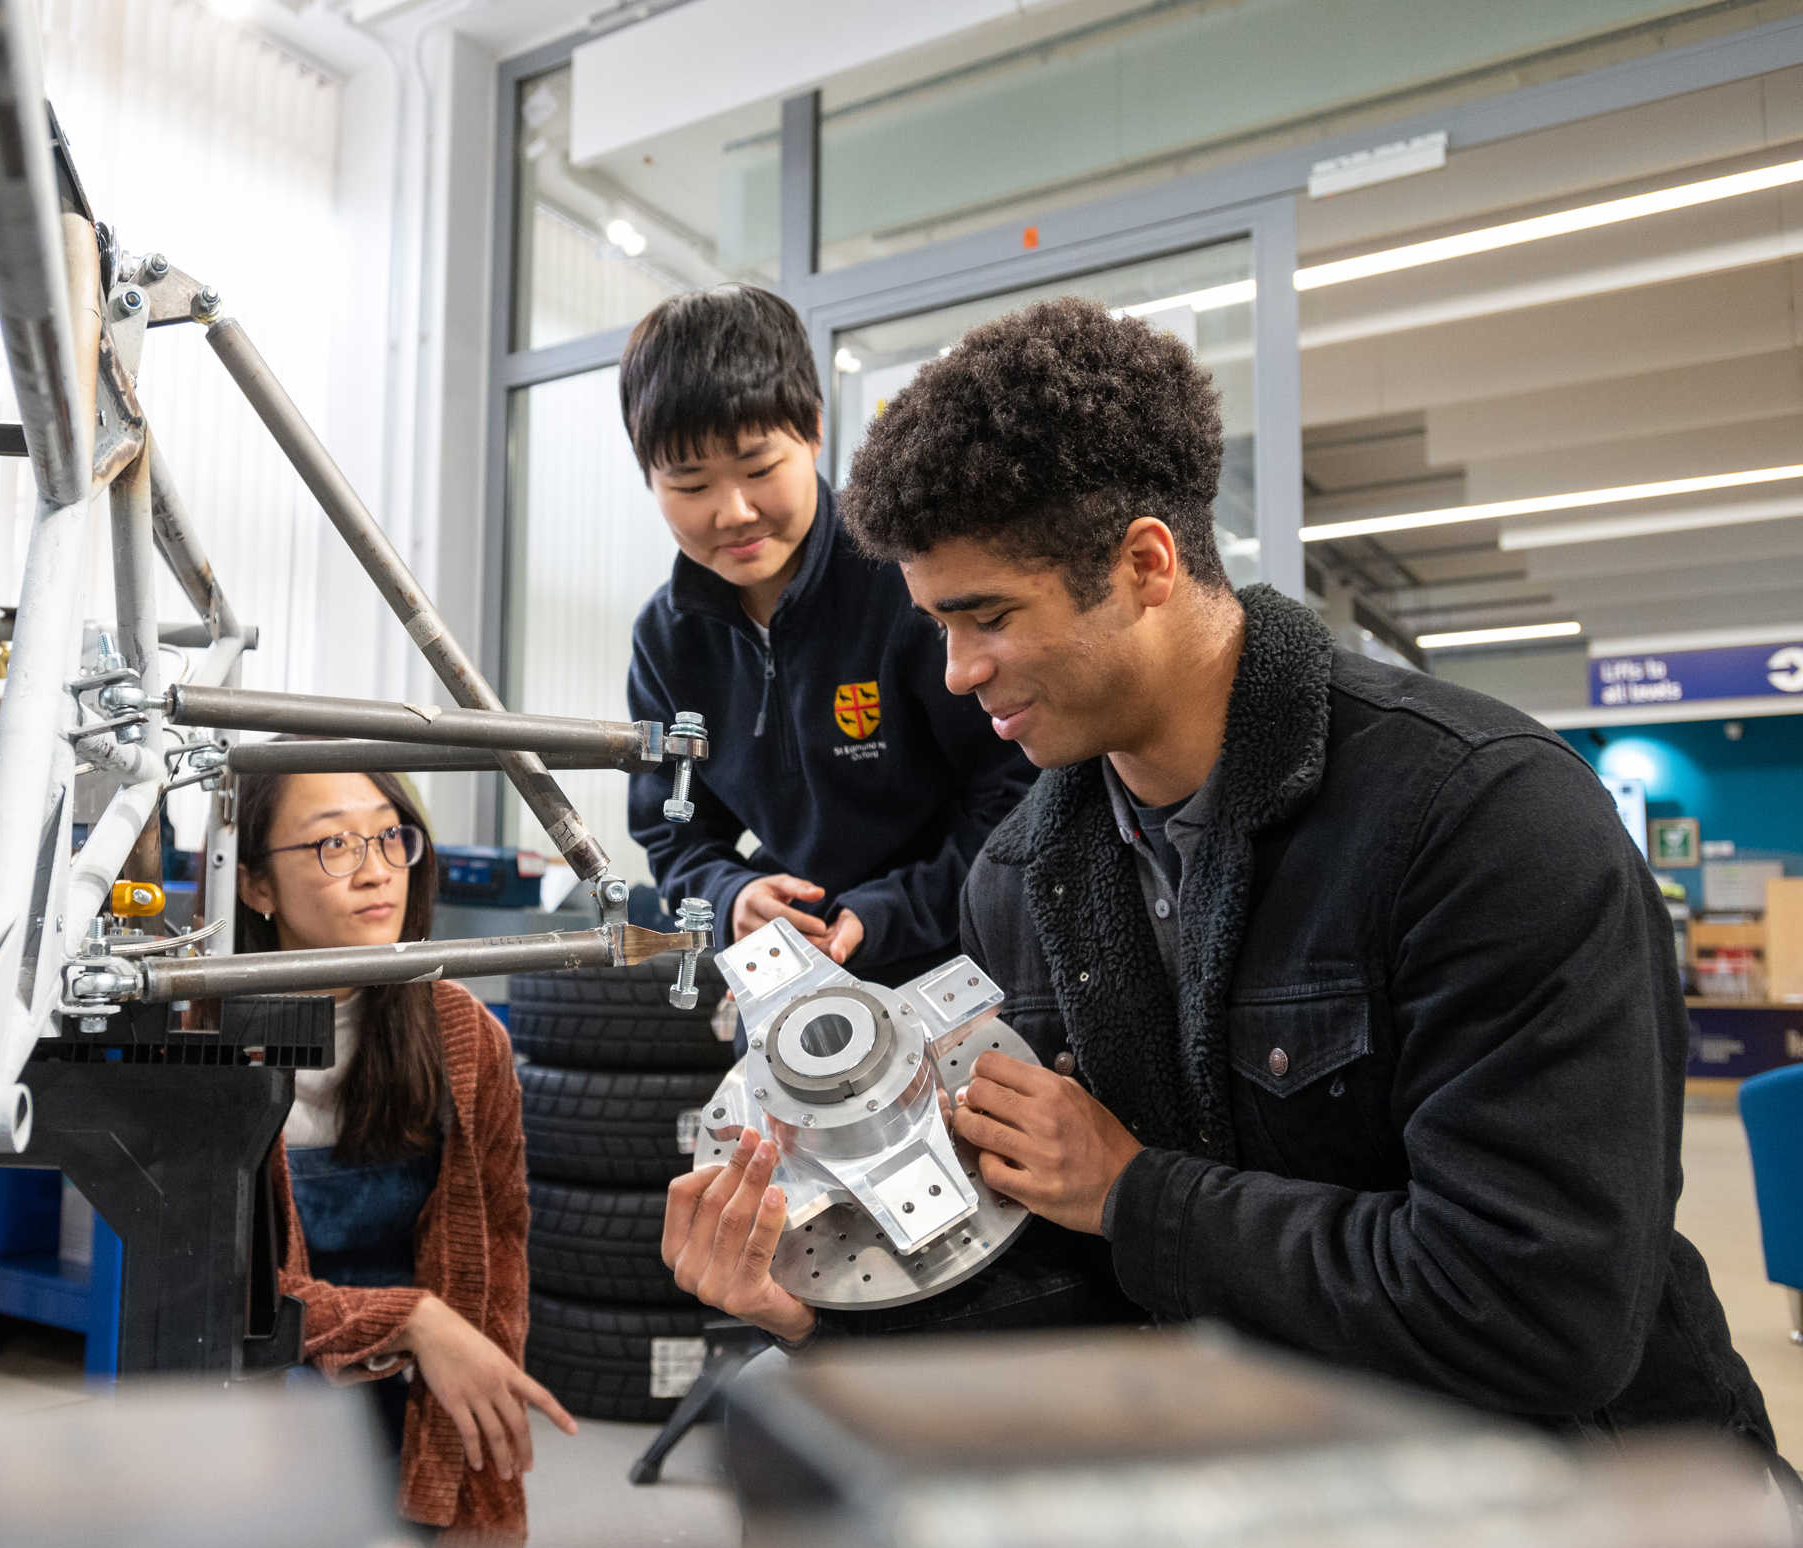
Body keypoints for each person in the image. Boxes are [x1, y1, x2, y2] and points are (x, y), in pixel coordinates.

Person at [674, 296, 1789, 1484]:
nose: (956, 675)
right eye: (938, 625)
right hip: (1277, 1494)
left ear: (1146, 564)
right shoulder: (1020, 880)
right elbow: (1089, 1290)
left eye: (988, 616)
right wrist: (821, 1306)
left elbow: (1542, 1310)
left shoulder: (1484, 820)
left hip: (1608, 1508)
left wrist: (1136, 1194)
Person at [623, 284, 1034, 988]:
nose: (734, 511)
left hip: (967, 965)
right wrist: (730, 899)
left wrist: (891, 909)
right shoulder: (668, 639)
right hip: (793, 979)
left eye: (758, 469)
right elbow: (675, 832)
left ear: (812, 430)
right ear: (648, 477)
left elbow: (1020, 793)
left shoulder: (907, 584)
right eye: (691, 486)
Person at [240, 764, 575, 1548]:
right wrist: (411, 1318)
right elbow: (225, 1295)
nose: (375, 868)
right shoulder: (200, 1032)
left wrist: (482, 1469)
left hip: (417, 1399)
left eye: (390, 836)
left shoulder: (460, 1033)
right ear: (255, 884)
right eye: (331, 843)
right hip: (257, 1405)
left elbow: (496, 1264)